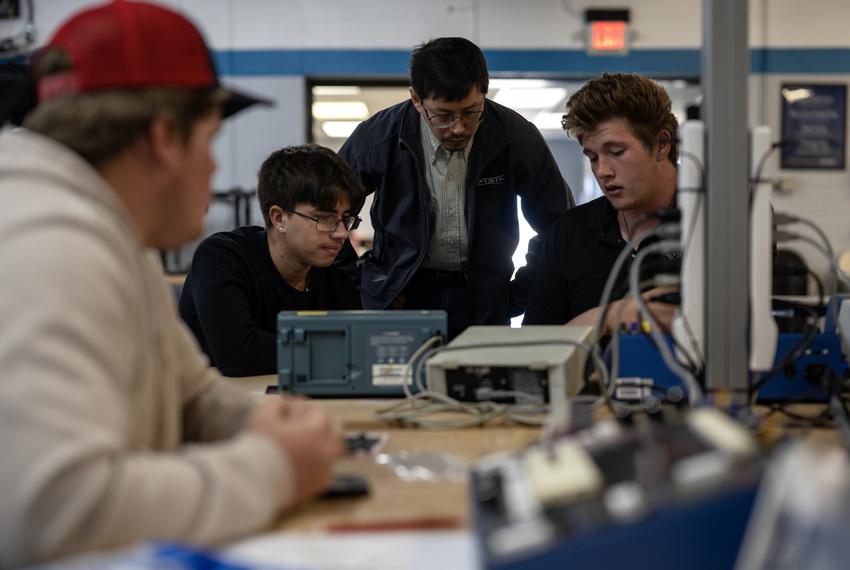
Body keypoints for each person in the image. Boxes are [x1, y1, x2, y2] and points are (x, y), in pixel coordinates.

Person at [0, 1, 342, 566]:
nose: (213, 167)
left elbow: (189, 394)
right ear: (163, 138)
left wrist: (259, 420)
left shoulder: (111, 236)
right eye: (208, 139)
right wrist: (275, 468)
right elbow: (53, 510)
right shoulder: (48, 243)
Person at [337, 37, 574, 338]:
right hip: (402, 295)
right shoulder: (377, 139)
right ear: (416, 99)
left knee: (481, 384)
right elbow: (324, 214)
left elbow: (562, 228)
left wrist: (523, 289)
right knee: (398, 385)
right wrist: (366, 284)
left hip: (483, 298)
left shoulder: (516, 139)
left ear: (484, 94)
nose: (459, 127)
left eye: (471, 112)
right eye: (444, 116)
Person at [179, 144, 364, 376]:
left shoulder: (337, 278)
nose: (341, 233)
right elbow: (239, 355)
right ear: (279, 218)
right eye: (325, 219)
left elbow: (358, 350)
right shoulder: (221, 259)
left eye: (346, 220)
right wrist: (334, 349)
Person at [524, 73, 679, 330]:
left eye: (616, 152)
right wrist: (611, 317)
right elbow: (540, 345)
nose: (603, 171)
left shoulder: (717, 223)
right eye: (593, 157)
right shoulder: (569, 233)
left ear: (661, 145)